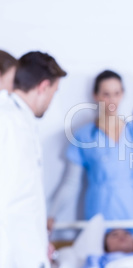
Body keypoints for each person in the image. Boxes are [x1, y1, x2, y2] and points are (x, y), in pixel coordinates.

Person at [49, 70, 133, 229]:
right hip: (100, 213)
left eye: (116, 93)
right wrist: (52, 214)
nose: (112, 100)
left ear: (123, 94)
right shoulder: (84, 136)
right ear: (95, 95)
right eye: (106, 94)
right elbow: (71, 182)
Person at [0, 51, 67, 268]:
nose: (50, 101)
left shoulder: (17, 120)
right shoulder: (12, 123)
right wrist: (35, 255)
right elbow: (18, 201)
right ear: (43, 87)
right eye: (53, 92)